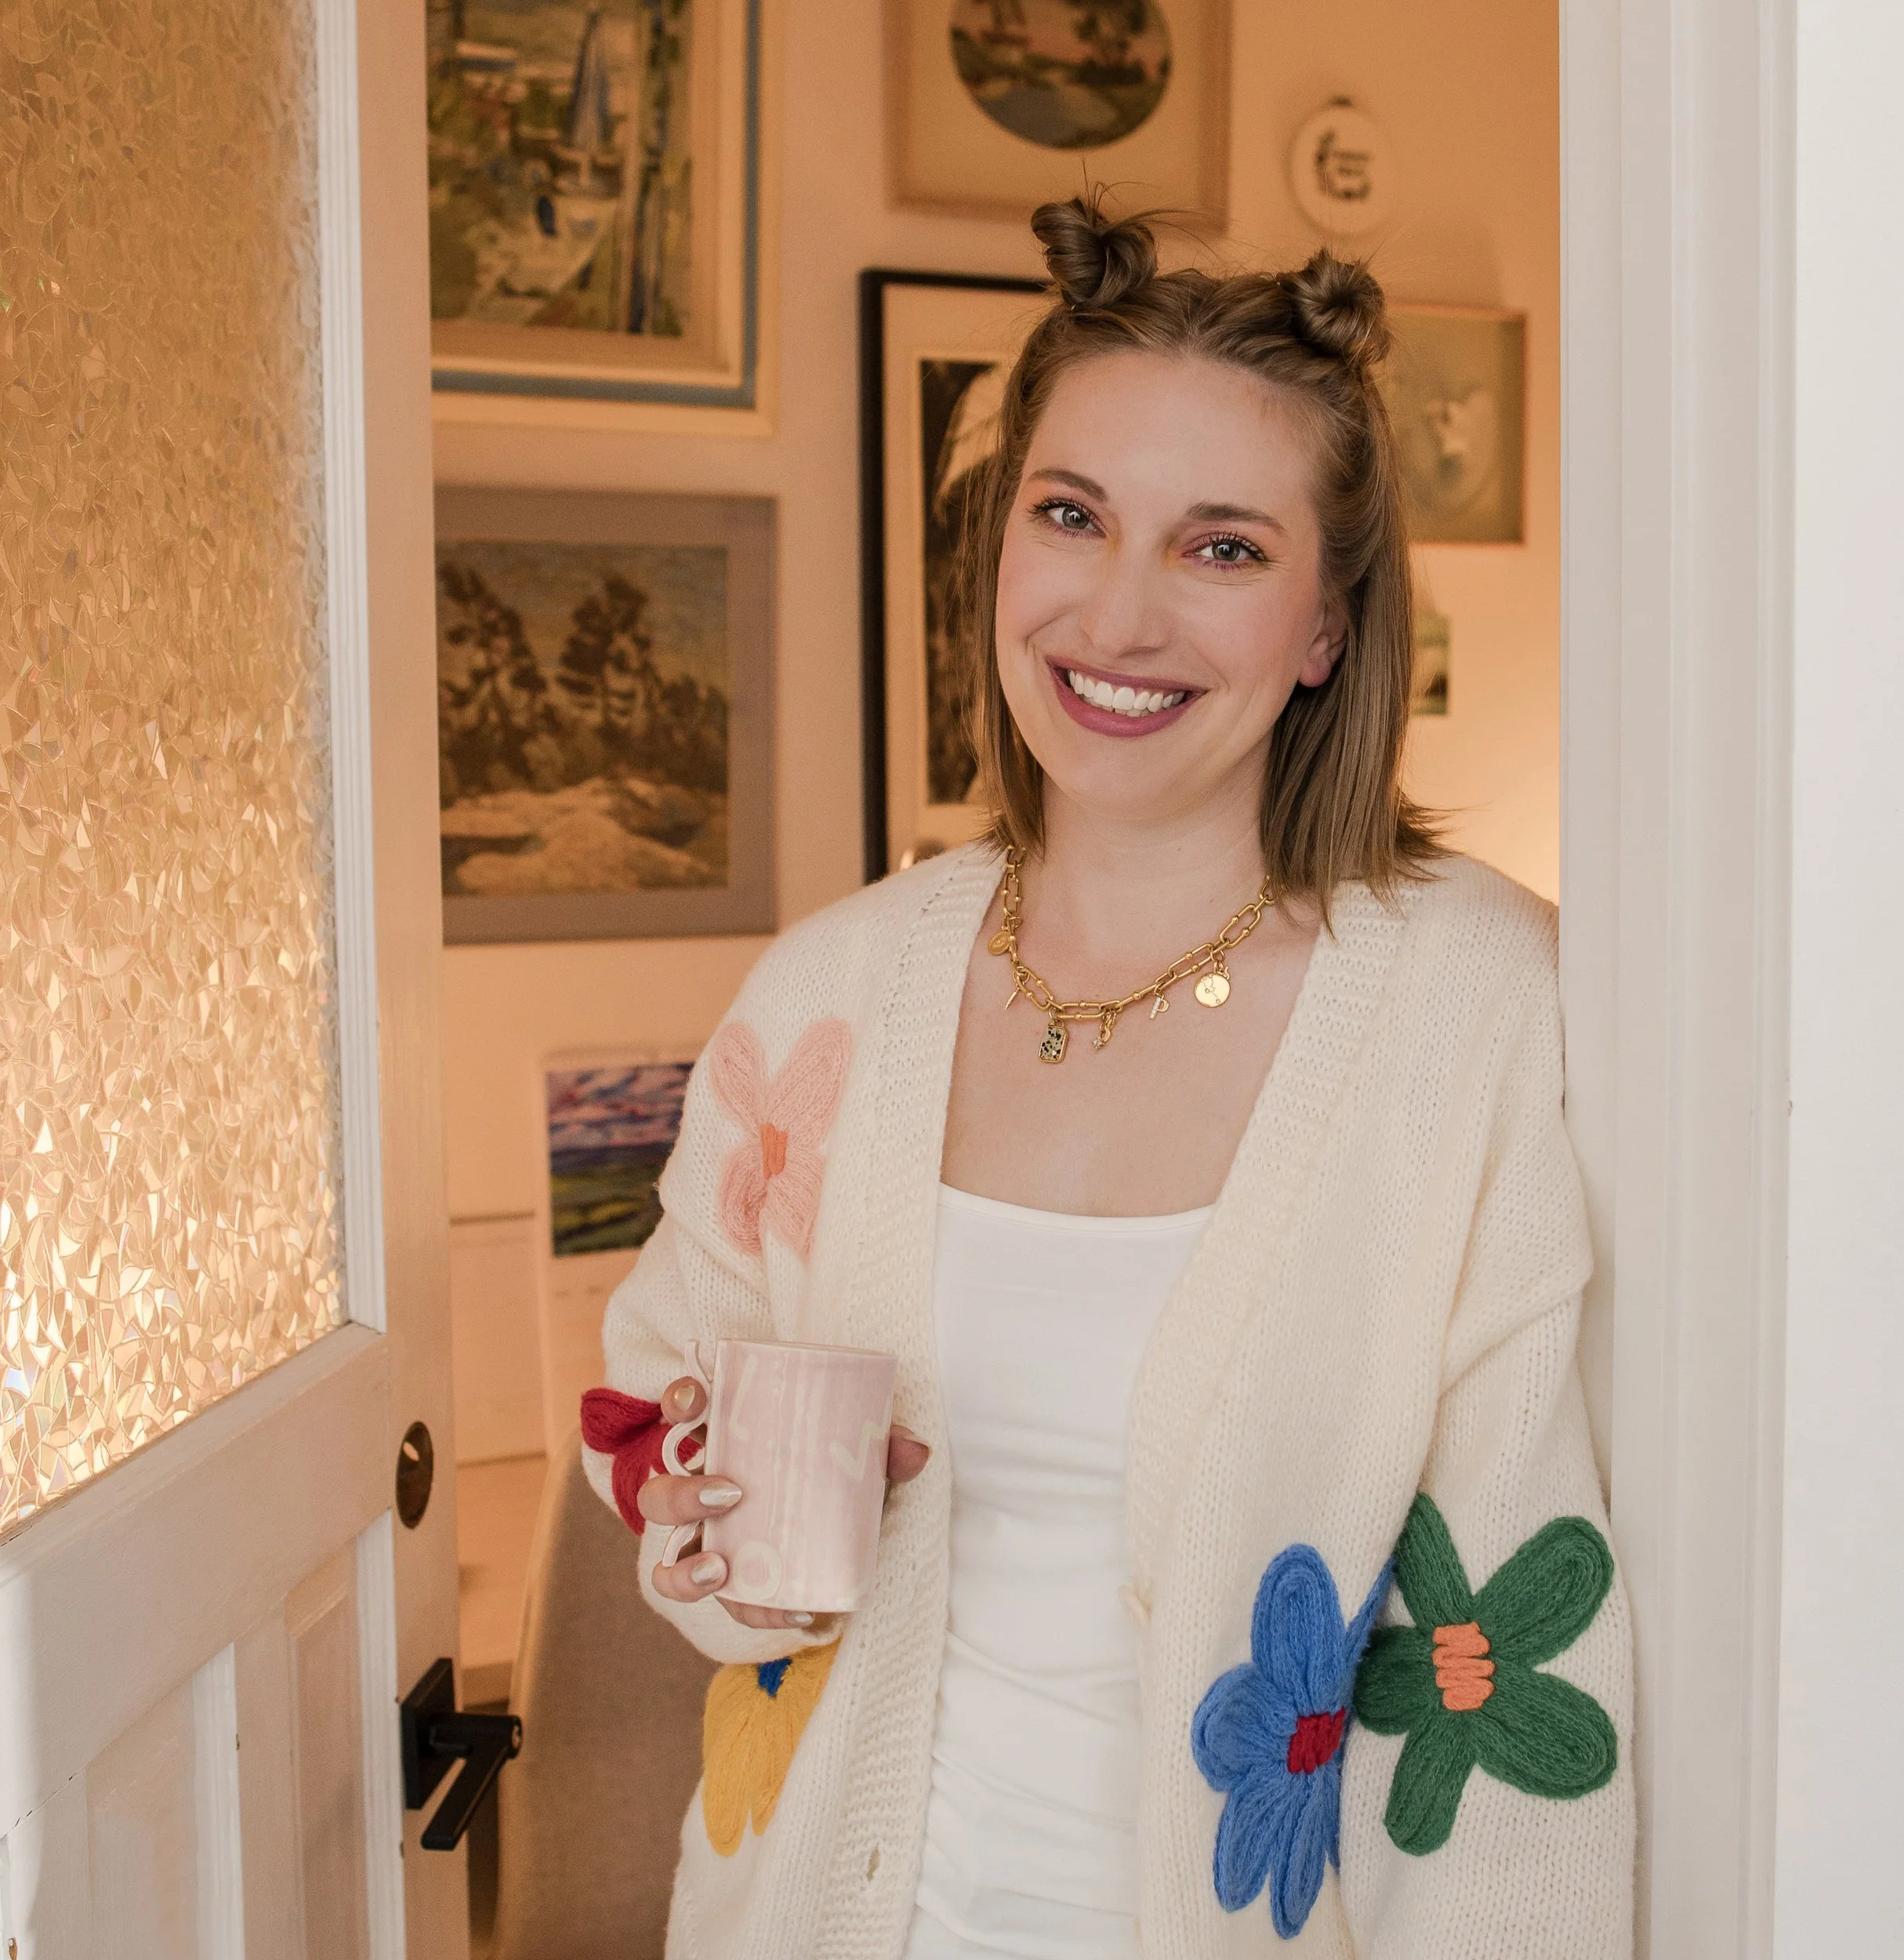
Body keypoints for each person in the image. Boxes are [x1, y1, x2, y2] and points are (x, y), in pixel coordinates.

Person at [580, 195, 1634, 1958]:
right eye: (1069, 515)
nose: (1116, 611)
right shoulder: (831, 989)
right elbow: (661, 1398)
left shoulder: (1479, 1010)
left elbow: (1511, 1667)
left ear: (1323, 624)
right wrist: (710, 1526)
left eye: (1220, 548)